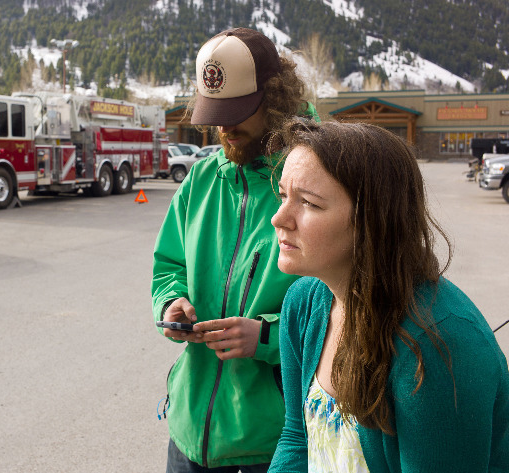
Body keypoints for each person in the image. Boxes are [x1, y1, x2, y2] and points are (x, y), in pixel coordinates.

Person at [268, 120, 509, 472]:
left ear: (373, 220)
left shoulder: (440, 346)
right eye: (283, 195)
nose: (279, 218)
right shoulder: (302, 304)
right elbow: (297, 439)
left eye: (308, 203)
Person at [151, 27, 319, 472]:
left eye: (238, 111)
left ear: (276, 96)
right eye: (216, 112)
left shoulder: (317, 181)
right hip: (187, 437)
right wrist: (172, 302)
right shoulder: (200, 180)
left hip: (271, 444)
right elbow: (168, 264)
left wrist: (265, 336)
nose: (224, 126)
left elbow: (342, 307)